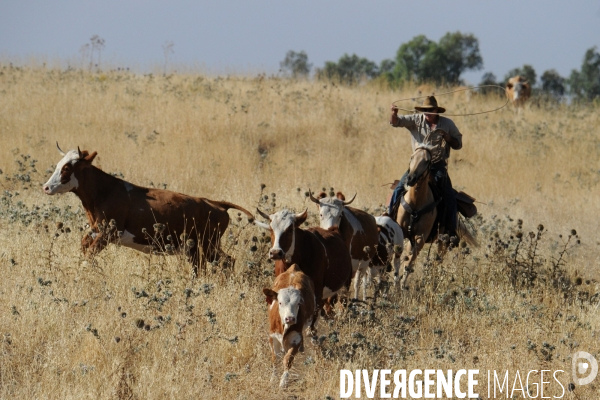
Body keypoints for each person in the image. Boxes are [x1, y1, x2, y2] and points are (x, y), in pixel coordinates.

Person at [389, 95, 462, 237]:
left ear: (437, 110)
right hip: (417, 164)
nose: (427, 112)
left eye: (430, 110)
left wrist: (448, 138)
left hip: (437, 165)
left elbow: (458, 144)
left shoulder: (448, 124)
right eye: (424, 110)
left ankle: (450, 230)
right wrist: (394, 114)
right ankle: (390, 217)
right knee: (399, 188)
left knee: (449, 195)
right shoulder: (416, 120)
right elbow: (396, 122)